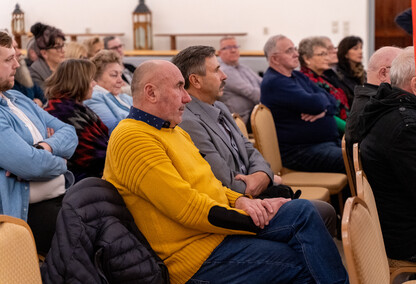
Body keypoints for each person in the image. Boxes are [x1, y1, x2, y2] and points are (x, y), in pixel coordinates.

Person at [103, 59, 349, 284]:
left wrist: (243, 200)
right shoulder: (132, 137)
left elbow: (210, 185)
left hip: (214, 233)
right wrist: (253, 216)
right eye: (179, 87)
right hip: (193, 255)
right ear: (151, 92)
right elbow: (187, 209)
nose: (187, 98)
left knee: (302, 211)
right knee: (302, 262)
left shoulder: (172, 130)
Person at [175, 45, 336, 235]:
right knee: (322, 213)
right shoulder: (189, 121)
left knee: (321, 211)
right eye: (217, 70)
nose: (224, 76)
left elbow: (250, 151)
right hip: (238, 207)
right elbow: (225, 181)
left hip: (257, 191)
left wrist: (262, 176)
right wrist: (263, 179)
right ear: (195, 80)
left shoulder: (219, 107)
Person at [0, 32, 78, 254]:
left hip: (61, 194)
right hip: (27, 212)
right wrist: (62, 162)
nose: (17, 64)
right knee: (85, 238)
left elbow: (69, 132)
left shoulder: (18, 99)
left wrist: (44, 147)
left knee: (106, 211)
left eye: (15, 57)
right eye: (8, 60)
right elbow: (30, 164)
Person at [359, 47, 416, 263]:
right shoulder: (405, 127)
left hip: (400, 221)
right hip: (410, 238)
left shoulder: (387, 106)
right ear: (414, 85)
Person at [261, 35, 345, 173]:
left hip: (322, 144)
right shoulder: (275, 82)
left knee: (367, 152)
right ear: (275, 58)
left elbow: (331, 100)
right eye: (289, 51)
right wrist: (321, 106)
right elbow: (316, 104)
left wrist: (322, 110)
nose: (296, 54)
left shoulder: (297, 76)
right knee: (358, 158)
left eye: (295, 49)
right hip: (300, 151)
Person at [44, 59, 109, 182]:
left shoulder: (73, 106)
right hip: (82, 181)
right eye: (91, 80)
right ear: (79, 82)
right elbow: (95, 158)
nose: (94, 84)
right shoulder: (62, 112)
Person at [345, 46, 402, 149]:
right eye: (402, 70)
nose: (408, 76)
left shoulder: (368, 98)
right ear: (383, 73)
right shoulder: (380, 104)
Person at [298, 36, 349, 131]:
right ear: (307, 59)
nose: (327, 58)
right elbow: (327, 112)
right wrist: (350, 130)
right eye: (322, 54)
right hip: (331, 132)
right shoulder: (306, 80)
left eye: (326, 54)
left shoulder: (323, 77)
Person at [84, 50, 132, 134]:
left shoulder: (121, 96)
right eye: (114, 75)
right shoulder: (93, 98)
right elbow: (113, 129)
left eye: (120, 75)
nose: (120, 80)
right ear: (97, 77)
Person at [217, 36, 261, 127]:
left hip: (255, 113)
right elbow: (252, 93)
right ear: (220, 53)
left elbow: (263, 83)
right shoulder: (224, 71)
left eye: (235, 47)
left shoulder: (243, 68)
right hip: (242, 119)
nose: (233, 50)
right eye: (228, 48)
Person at [9, 34, 45, 107]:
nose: (20, 53)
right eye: (14, 48)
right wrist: (34, 104)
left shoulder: (24, 72)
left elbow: (43, 98)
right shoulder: (5, 81)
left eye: (17, 47)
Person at [29, 22, 66, 91]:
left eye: (63, 45)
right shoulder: (35, 74)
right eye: (58, 47)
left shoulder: (65, 68)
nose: (63, 50)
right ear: (44, 53)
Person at [336, 36, 366, 106]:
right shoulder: (338, 74)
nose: (360, 52)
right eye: (355, 49)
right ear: (345, 53)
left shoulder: (362, 72)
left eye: (361, 48)